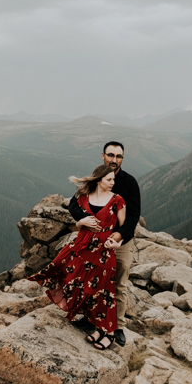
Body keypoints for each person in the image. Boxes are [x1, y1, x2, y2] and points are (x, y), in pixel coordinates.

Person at [28, 164, 126, 350]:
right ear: (98, 180)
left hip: (104, 250)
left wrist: (118, 241)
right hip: (83, 246)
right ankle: (98, 327)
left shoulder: (118, 200)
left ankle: (110, 333)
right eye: (109, 179)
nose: (113, 182)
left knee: (105, 291)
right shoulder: (84, 197)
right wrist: (81, 221)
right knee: (82, 285)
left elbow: (124, 227)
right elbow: (74, 217)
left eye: (114, 179)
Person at [68, 141, 140, 346]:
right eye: (111, 155)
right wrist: (83, 219)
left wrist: (118, 236)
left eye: (119, 157)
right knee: (94, 279)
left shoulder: (130, 183)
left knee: (119, 280)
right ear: (103, 156)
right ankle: (92, 319)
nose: (114, 160)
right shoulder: (97, 178)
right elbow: (74, 204)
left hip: (120, 241)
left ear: (122, 159)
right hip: (95, 240)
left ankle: (117, 326)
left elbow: (134, 216)